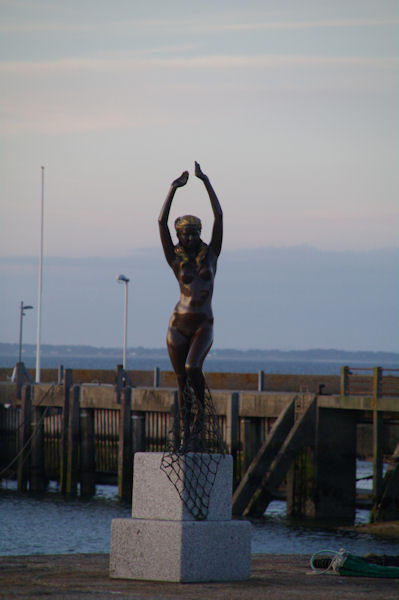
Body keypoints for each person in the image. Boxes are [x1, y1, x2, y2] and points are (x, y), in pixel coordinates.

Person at [158, 161, 223, 449]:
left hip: (202, 324)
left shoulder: (212, 255)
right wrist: (173, 188)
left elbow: (219, 216)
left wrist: (205, 181)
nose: (192, 237)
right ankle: (187, 435)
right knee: (182, 382)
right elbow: (160, 223)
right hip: (177, 326)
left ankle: (201, 412)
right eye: (186, 234)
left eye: (196, 233)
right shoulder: (175, 259)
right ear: (180, 236)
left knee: (193, 367)